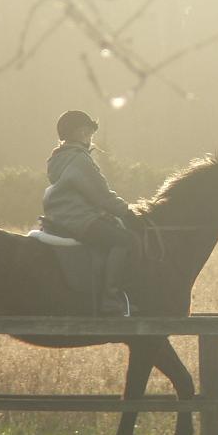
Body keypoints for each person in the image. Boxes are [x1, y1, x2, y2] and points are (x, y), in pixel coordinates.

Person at [41, 110, 142, 316]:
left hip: (61, 217)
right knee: (124, 240)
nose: (90, 138)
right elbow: (102, 195)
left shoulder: (58, 159)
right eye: (88, 133)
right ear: (80, 133)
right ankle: (111, 299)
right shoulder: (79, 160)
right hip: (78, 219)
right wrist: (128, 213)